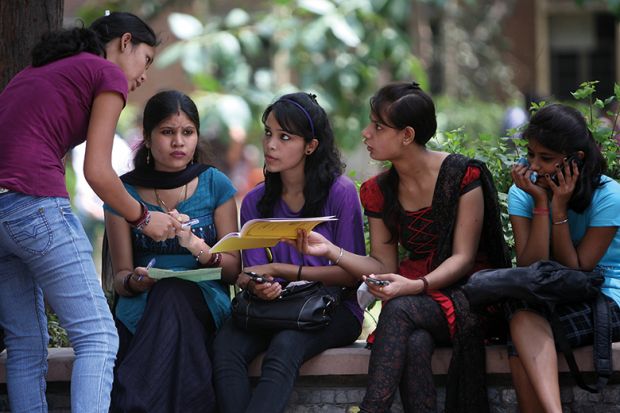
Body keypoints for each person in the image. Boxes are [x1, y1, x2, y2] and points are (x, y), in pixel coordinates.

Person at [0, 12, 181, 413]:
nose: (144, 76)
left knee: (26, 346)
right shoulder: (105, 73)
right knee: (98, 336)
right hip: (33, 207)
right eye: (146, 60)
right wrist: (144, 218)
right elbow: (97, 171)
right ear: (125, 42)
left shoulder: (37, 73)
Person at [293, 81, 510, 412]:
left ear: (407, 135)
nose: (366, 133)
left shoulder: (464, 176)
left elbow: (464, 259)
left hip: (470, 296)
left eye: (378, 126)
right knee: (415, 342)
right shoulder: (378, 190)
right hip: (418, 302)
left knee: (400, 309)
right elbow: (383, 265)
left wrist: (416, 285)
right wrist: (329, 251)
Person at [212, 92, 366, 413]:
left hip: (332, 308)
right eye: (268, 133)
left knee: (284, 346)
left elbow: (352, 276)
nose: (271, 145)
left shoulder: (341, 193)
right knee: (225, 349)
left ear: (311, 146)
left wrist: (284, 271)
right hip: (273, 307)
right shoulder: (255, 200)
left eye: (285, 137)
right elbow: (253, 273)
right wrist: (257, 285)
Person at [103, 90, 240, 413]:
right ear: (148, 139)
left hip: (204, 299)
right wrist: (136, 281)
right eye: (167, 132)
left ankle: (133, 403)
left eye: (187, 132)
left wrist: (199, 248)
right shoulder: (124, 193)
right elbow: (120, 277)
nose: (178, 141)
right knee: (167, 293)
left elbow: (234, 270)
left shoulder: (214, 184)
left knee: (174, 292)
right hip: (142, 303)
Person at [507, 103, 620, 413]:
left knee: (517, 345)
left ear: (576, 159)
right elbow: (531, 267)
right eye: (530, 154)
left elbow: (579, 267)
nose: (534, 165)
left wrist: (559, 209)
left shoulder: (609, 196)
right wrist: (541, 203)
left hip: (607, 295)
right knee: (520, 316)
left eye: (546, 158)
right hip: (557, 295)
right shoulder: (524, 192)